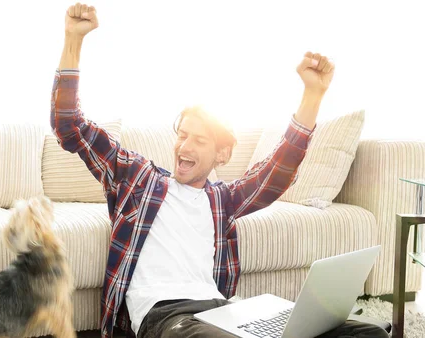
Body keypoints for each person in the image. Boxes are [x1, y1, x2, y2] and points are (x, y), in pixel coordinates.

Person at [51, 3, 389, 338]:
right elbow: (69, 125)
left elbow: (276, 173)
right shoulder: (137, 178)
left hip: (223, 311)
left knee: (367, 333)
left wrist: (313, 93)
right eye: (182, 135)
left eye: (199, 140)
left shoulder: (221, 200)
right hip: (167, 317)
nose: (184, 147)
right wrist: (73, 40)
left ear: (222, 154)